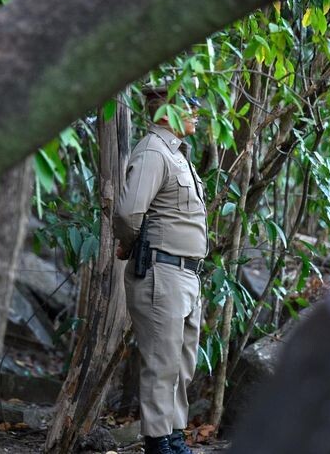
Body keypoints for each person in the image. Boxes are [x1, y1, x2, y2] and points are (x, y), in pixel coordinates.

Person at [114, 87, 207, 454]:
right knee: (161, 363)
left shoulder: (179, 156)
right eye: (191, 107)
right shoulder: (154, 151)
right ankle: (157, 443)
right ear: (166, 112)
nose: (197, 114)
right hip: (160, 271)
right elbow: (128, 212)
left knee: (182, 363)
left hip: (185, 274)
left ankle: (174, 436)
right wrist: (128, 242)